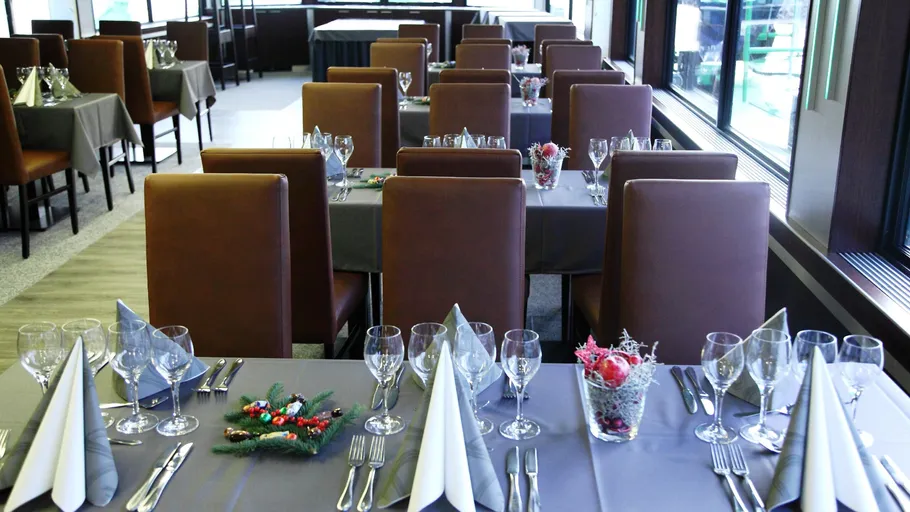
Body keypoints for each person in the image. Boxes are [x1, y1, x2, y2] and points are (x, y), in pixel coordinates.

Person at [675, 0, 701, 91]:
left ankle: (685, 85)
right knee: (689, 67)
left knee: (685, 65)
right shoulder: (695, 11)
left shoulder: (682, 10)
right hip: (690, 44)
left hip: (684, 43)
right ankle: (688, 86)